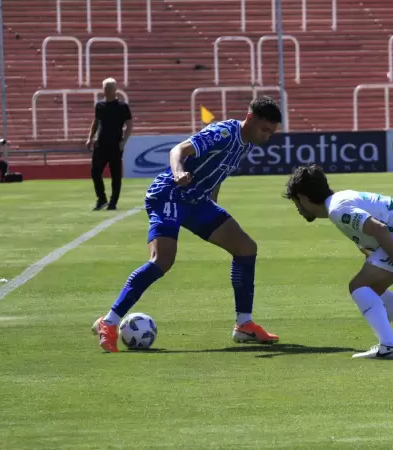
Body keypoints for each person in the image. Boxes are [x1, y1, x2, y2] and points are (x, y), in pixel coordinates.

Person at [92, 96, 282, 352]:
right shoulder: (224, 132)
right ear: (250, 118)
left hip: (197, 202)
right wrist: (178, 172)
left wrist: (214, 206)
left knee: (246, 248)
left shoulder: (246, 145)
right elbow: (178, 150)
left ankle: (244, 325)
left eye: (272, 132)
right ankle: (109, 321)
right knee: (162, 261)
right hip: (170, 193)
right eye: (265, 129)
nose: (267, 136)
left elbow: (217, 175)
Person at [283, 165, 393, 359]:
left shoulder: (337, 209)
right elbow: (370, 238)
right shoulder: (341, 200)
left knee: (358, 286)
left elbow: (380, 229)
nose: (297, 209)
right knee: (372, 289)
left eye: (296, 202)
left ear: (303, 198)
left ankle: (389, 347)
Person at [86, 77, 133, 210]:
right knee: (95, 172)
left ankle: (113, 203)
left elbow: (129, 125)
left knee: (115, 175)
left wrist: (124, 141)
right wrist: (90, 138)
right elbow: (95, 122)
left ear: (114, 90)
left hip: (115, 145)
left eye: (109, 88)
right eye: (104, 87)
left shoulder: (123, 107)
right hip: (100, 144)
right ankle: (101, 199)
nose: (106, 90)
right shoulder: (99, 105)